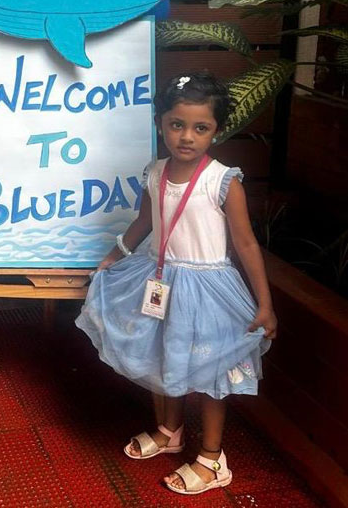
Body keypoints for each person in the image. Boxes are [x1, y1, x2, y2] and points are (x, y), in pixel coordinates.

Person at [76, 72, 277, 496]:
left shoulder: (223, 181)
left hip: (208, 292)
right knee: (161, 356)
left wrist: (265, 303)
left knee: (212, 373)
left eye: (200, 128)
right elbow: (144, 222)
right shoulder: (154, 173)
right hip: (159, 278)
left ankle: (212, 458)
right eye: (176, 124)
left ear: (216, 130)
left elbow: (245, 243)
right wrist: (116, 255)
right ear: (160, 123)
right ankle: (170, 431)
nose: (187, 136)